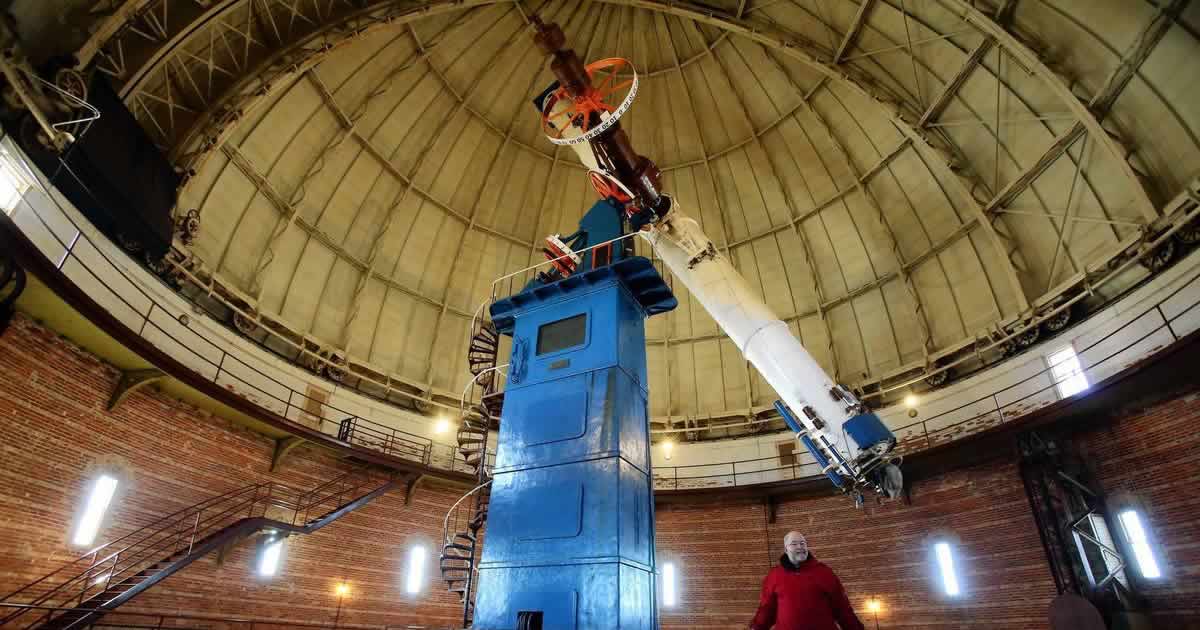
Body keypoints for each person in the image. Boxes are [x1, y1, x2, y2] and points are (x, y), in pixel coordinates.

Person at [749, 531, 865, 630]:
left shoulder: (824, 572)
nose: (800, 547)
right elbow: (767, 609)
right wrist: (757, 627)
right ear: (785, 549)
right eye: (794, 544)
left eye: (802, 543)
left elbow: (842, 607)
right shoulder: (774, 575)